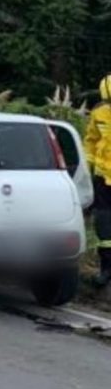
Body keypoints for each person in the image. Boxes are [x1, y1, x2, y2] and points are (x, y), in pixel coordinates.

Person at [84, 75, 111, 286]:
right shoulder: (99, 113)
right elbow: (91, 140)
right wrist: (87, 166)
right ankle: (106, 269)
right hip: (103, 178)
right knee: (104, 228)